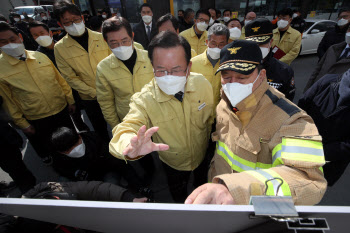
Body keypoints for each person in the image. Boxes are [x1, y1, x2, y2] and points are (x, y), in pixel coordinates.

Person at [185, 40, 327, 205]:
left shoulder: (293, 121)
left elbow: (308, 180)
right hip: (217, 195)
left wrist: (235, 190)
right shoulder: (224, 102)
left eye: (242, 77)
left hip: (256, 208)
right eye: (226, 76)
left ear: (261, 76)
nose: (232, 84)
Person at [109, 31, 214, 203]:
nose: (168, 76)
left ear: (189, 67)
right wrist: (128, 145)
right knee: (178, 192)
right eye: (161, 70)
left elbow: (210, 118)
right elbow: (127, 127)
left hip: (202, 156)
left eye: (176, 69)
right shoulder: (144, 99)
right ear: (152, 67)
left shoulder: (202, 83)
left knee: (201, 186)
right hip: (173, 163)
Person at [0, 22, 76, 164]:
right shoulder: (1, 69)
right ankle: (64, 169)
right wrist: (22, 123)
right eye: (3, 42)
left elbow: (60, 81)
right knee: (52, 147)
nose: (10, 44)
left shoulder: (40, 56)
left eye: (12, 39)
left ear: (20, 37)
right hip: (37, 118)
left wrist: (70, 100)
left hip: (60, 109)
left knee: (71, 140)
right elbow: (8, 102)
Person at [53, 0, 110, 142]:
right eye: (67, 22)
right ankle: (109, 154)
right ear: (60, 25)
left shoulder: (102, 37)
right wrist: (94, 93)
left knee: (123, 124)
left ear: (82, 18)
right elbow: (70, 77)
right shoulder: (60, 48)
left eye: (76, 19)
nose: (73, 24)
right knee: (100, 129)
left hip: (113, 91)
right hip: (90, 98)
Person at [28, 21, 89, 132]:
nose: (40, 37)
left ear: (50, 33)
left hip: (81, 88)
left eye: (42, 33)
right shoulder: (38, 58)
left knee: (92, 115)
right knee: (76, 121)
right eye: (35, 35)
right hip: (64, 94)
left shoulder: (64, 47)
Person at [96, 17, 154, 130]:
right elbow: (106, 103)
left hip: (155, 118)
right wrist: (117, 127)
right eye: (114, 43)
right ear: (106, 42)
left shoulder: (150, 58)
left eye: (124, 41)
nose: (121, 47)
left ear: (132, 36)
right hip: (129, 123)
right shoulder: (103, 68)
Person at [299, 69, 350, 187]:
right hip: (300, 149)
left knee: (309, 196)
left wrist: (318, 151)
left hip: (327, 164)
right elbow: (300, 109)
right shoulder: (327, 81)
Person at [50, 127, 145, 190]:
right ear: (61, 152)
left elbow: (119, 163)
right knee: (63, 182)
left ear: (80, 137)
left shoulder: (95, 140)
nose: (74, 150)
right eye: (68, 151)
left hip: (104, 171)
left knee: (111, 186)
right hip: (80, 178)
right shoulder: (57, 155)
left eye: (75, 145)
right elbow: (59, 168)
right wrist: (74, 173)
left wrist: (139, 187)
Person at [245, 18, 295, 101]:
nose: (258, 48)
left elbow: (287, 100)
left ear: (270, 42)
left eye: (262, 44)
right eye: (253, 44)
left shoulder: (284, 70)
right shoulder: (237, 68)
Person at [0, 96, 36, 195]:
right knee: (13, 165)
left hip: (3, 142)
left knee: (14, 166)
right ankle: (28, 189)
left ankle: (30, 189)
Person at [191, 23, 229, 113]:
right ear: (207, 42)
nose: (217, 48)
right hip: (199, 115)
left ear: (227, 44)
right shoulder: (193, 64)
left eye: (221, 44)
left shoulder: (228, 65)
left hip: (220, 114)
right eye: (213, 43)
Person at [304, 24, 350, 92]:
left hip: (334, 98)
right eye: (349, 29)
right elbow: (317, 70)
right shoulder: (333, 48)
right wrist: (307, 91)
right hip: (316, 91)